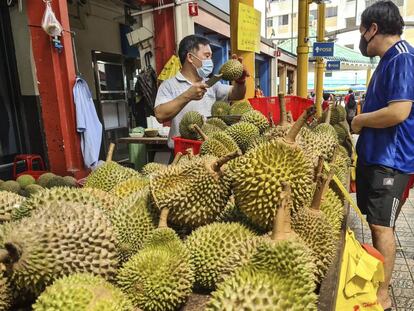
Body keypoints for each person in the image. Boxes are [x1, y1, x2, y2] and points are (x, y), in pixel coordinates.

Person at [351, 2, 414, 310]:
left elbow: (399, 111)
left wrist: (360, 120)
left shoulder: (402, 57)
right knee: (376, 222)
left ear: (372, 29)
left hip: (392, 161)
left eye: (362, 32)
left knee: (381, 227)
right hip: (376, 157)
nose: (361, 39)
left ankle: (383, 296)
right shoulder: (389, 59)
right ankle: (376, 276)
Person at [154, 35, 248, 151]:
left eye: (211, 57)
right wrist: (187, 95)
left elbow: (237, 94)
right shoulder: (168, 85)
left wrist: (240, 81)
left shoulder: (211, 84)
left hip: (210, 149)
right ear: (190, 57)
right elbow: (160, 115)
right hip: (182, 151)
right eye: (207, 56)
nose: (210, 61)